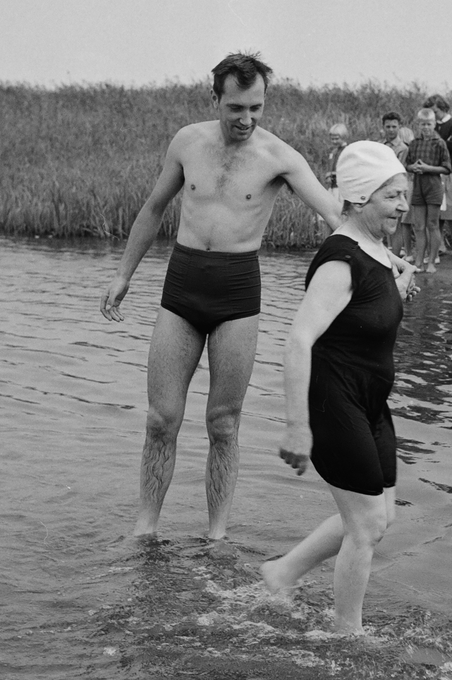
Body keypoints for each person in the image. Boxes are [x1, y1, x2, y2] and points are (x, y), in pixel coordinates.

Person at [100, 51, 343, 539]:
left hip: (236, 294)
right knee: (159, 420)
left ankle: (217, 538)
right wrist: (124, 273)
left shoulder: (280, 157)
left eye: (256, 108)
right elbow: (153, 208)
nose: (246, 119)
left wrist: (388, 262)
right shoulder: (187, 142)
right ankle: (144, 531)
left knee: (224, 424)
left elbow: (336, 218)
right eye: (236, 108)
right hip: (182, 286)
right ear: (216, 99)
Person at [262, 142, 416, 636]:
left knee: (379, 516)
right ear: (360, 196)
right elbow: (297, 341)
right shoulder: (340, 260)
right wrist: (296, 426)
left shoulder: (376, 252)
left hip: (370, 403)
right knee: (366, 525)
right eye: (391, 196)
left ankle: (280, 574)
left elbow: (370, 301)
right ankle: (347, 636)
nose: (402, 205)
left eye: (404, 195)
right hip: (332, 403)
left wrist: (399, 283)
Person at [406, 108, 452, 273]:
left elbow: (447, 168)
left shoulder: (440, 143)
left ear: (434, 124)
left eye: (429, 124)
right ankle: (419, 261)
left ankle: (431, 262)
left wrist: (427, 168)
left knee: (432, 224)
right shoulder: (414, 143)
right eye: (423, 124)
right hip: (418, 187)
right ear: (418, 124)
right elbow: (407, 164)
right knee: (418, 225)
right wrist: (413, 167)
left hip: (434, 187)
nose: (426, 127)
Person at [424, 95, 452, 254]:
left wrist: (438, 141)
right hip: (434, 171)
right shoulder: (432, 126)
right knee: (437, 210)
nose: (434, 115)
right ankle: (439, 244)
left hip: (449, 169)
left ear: (443, 108)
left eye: (436, 111)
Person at [380, 111, 411, 257]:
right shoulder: (380, 146)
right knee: (384, 223)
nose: (391, 130)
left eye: (394, 126)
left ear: (399, 127)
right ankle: (388, 253)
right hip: (382, 187)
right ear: (383, 127)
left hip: (397, 188)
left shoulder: (403, 148)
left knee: (396, 224)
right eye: (388, 126)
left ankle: (397, 255)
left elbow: (398, 168)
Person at [323, 122, 350, 197]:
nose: (334, 141)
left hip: (343, 187)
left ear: (343, 137)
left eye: (337, 139)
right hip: (333, 186)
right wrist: (328, 176)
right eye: (332, 139)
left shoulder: (347, 151)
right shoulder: (333, 152)